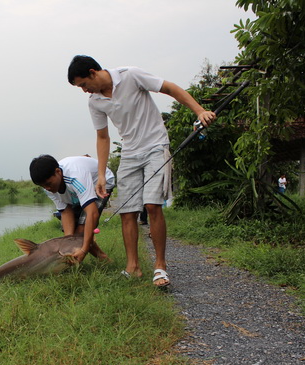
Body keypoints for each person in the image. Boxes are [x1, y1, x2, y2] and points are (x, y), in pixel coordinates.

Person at [67, 55, 216, 287]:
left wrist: (199, 111)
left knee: (152, 205)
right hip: (129, 153)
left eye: (84, 84)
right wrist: (101, 174)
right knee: (127, 211)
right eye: (80, 88)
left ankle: (160, 267)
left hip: (156, 145)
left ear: (93, 72)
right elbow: (103, 137)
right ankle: (133, 267)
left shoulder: (131, 75)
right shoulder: (95, 102)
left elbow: (170, 88)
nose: (84, 90)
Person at [30, 154, 115, 263]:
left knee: (81, 231)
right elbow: (65, 211)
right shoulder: (48, 188)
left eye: (48, 184)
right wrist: (68, 244)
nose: (47, 188)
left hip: (100, 182)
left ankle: (101, 260)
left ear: (58, 172)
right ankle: (103, 258)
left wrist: (84, 250)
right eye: (43, 186)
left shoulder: (75, 177)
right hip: (77, 190)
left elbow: (92, 213)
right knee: (73, 236)